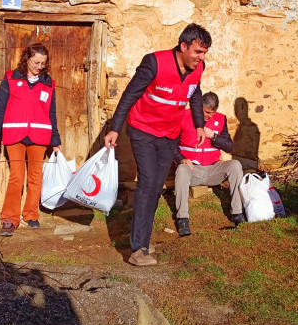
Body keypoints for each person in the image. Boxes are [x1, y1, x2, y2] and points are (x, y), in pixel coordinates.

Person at [104, 23, 211, 266]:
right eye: (197, 52)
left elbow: (194, 92)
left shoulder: (198, 67)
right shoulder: (154, 63)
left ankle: (143, 241)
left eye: (204, 53)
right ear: (183, 46)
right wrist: (114, 129)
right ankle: (137, 250)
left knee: (156, 187)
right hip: (143, 130)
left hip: (169, 134)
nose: (201, 58)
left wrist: (198, 124)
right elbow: (129, 95)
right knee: (147, 184)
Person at [0, 43, 61, 237]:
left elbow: (51, 113)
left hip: (40, 136)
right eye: (36, 62)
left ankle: (31, 214)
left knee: (35, 177)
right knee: (17, 176)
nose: (39, 66)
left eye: (43, 63)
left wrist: (55, 139)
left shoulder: (48, 83)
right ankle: (9, 219)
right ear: (27, 59)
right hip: (14, 135)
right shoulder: (11, 78)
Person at [173, 92, 245, 236]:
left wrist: (214, 136)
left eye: (212, 113)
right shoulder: (183, 116)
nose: (209, 116)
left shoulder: (221, 119)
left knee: (235, 165)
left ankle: (237, 213)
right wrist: (181, 159)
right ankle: (182, 218)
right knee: (181, 169)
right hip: (191, 169)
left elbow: (230, 147)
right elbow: (171, 145)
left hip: (213, 169)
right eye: (207, 112)